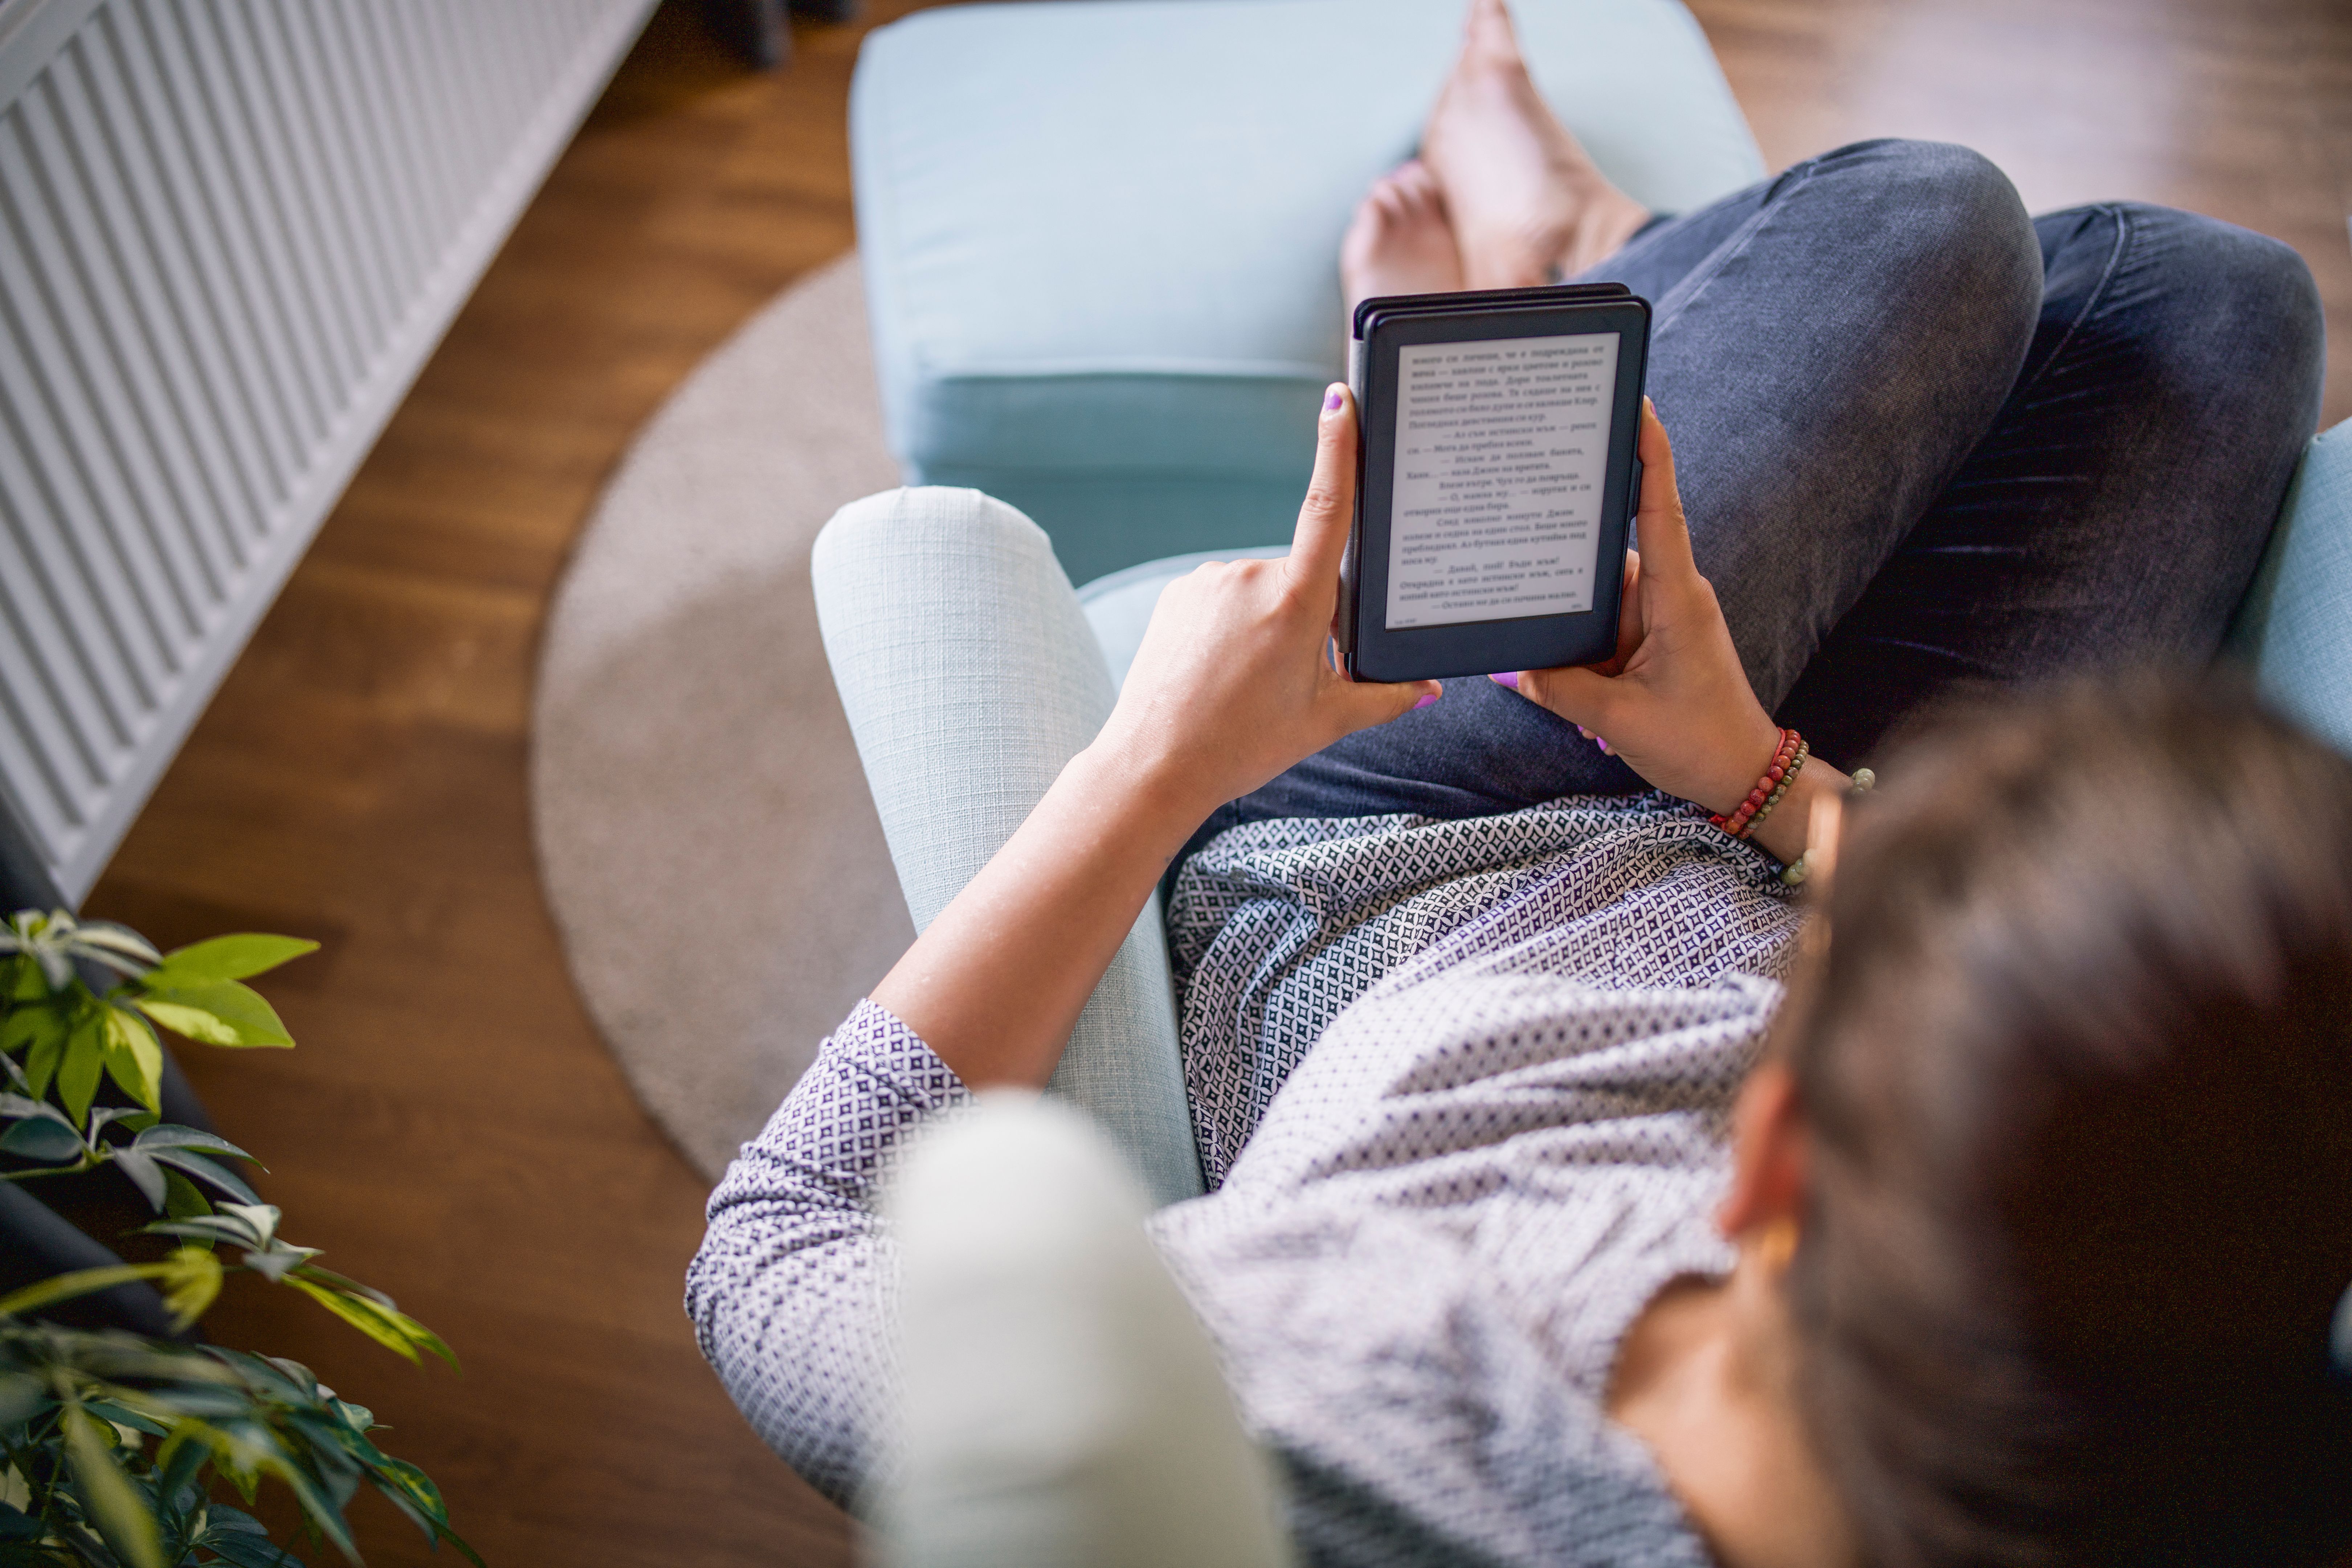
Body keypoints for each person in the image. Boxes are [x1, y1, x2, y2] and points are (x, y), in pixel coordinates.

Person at [686, 1, 2344, 1562]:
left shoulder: (1337, 1393)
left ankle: (1549, 287)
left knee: (1928, 219)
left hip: (1420, 865)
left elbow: (772, 1252)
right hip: (1710, 790)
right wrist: (1761, 778)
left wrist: (1160, 754)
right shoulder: (2170, 1453)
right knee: (2203, 300)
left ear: (1768, 1166)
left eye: (1841, 965)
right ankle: (1576, 276)